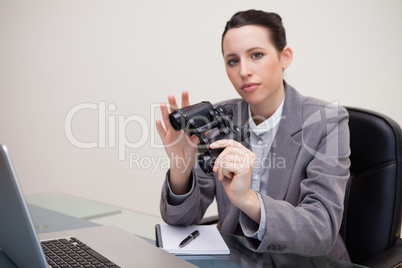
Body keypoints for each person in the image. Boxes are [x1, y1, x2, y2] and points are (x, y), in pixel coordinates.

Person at [155, 9, 351, 261]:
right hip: (237, 258)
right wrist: (181, 168)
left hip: (304, 262)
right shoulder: (218, 117)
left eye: (256, 55)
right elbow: (180, 219)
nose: (244, 71)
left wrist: (247, 199)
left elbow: (321, 230)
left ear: (285, 57)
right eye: (233, 60)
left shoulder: (326, 121)